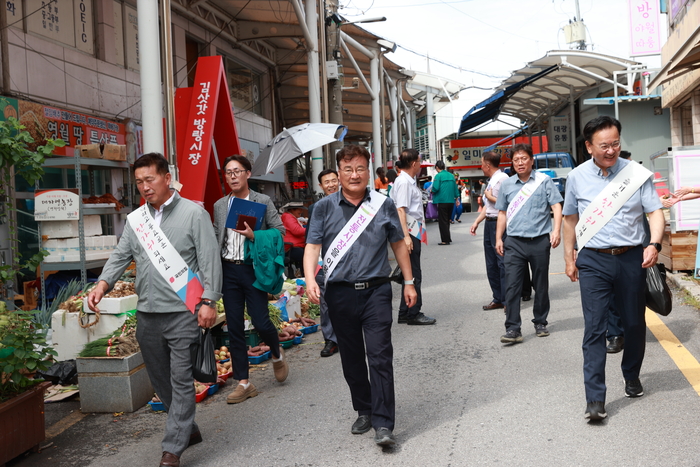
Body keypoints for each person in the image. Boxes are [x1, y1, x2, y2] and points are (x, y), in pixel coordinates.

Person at [86, 153, 222, 467]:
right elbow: (120, 256)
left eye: (150, 180)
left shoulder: (193, 214)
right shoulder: (137, 221)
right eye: (139, 182)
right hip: (147, 314)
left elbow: (209, 259)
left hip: (182, 312)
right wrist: (102, 285)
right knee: (160, 380)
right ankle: (187, 428)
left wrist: (209, 300)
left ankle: (172, 449)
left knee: (180, 379)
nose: (145, 187)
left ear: (166, 178)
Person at [303, 144, 417, 448]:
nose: (355, 175)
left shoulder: (383, 204)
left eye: (360, 169)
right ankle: (364, 409)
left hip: (376, 291)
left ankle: (383, 423)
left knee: (380, 355)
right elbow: (313, 246)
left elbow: (397, 244)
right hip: (338, 294)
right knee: (352, 358)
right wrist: (309, 278)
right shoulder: (323, 208)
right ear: (338, 173)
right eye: (348, 169)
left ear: (369, 171)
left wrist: (409, 281)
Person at [563, 116, 664, 421]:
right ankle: (595, 398)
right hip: (593, 259)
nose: (611, 150)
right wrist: (569, 257)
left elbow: (655, 212)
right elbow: (570, 219)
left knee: (634, 324)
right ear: (589, 146)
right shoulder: (577, 177)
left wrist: (654, 244)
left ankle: (631, 373)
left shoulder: (635, 175)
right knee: (595, 328)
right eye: (604, 145)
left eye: (616, 143)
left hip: (632, 257)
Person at [212, 154, 289, 406]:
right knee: (234, 326)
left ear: (247, 174)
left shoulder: (262, 200)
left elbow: (280, 231)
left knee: (260, 320)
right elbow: (216, 237)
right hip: (228, 270)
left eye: (237, 171)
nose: (232, 176)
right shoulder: (220, 205)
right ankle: (244, 382)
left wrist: (254, 234)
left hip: (252, 269)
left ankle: (276, 352)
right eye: (228, 172)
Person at [494, 144, 563, 343]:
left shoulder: (544, 181)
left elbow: (556, 206)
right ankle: (513, 328)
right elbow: (502, 213)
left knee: (540, 284)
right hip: (514, 242)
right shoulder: (507, 185)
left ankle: (540, 322)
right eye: (516, 160)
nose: (520, 163)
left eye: (524, 158)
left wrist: (556, 230)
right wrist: (499, 238)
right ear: (512, 163)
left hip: (540, 240)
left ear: (532, 160)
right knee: (512, 286)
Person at [390, 148, 436, 326]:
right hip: (408, 231)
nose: (421, 165)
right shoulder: (403, 182)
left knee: (411, 271)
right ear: (414, 163)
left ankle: (405, 311)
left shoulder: (408, 180)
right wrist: (406, 237)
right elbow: (401, 210)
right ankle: (413, 313)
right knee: (413, 272)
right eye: (419, 161)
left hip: (413, 229)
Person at [307, 169, 340, 357]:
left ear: (339, 181)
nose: (331, 185)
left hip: (349, 263)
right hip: (326, 262)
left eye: (333, 180)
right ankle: (330, 339)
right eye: (326, 182)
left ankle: (349, 336)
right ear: (321, 186)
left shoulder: (352, 204)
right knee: (326, 302)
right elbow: (311, 241)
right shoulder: (316, 208)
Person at [470, 152, 509, 310]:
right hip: (489, 223)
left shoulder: (503, 179)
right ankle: (497, 297)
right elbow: (488, 206)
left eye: (482, 163)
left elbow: (506, 204)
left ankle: (507, 300)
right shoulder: (492, 181)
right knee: (491, 263)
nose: (481, 166)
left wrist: (490, 197)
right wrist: (477, 221)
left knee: (502, 262)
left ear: (487, 165)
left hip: (499, 223)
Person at [431, 160, 460, 245]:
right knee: (447, 220)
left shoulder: (438, 176)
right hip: (451, 201)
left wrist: (431, 191)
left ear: (437, 167)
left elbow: (435, 188)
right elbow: (455, 189)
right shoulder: (451, 176)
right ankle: (447, 238)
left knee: (442, 221)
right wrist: (457, 198)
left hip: (442, 201)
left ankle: (445, 240)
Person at [281, 200, 307, 276]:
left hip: (296, 246)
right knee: (305, 256)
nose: (301, 211)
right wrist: (310, 229)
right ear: (292, 209)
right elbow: (297, 231)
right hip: (291, 248)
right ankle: (305, 275)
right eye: (299, 209)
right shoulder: (288, 217)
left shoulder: (291, 217)